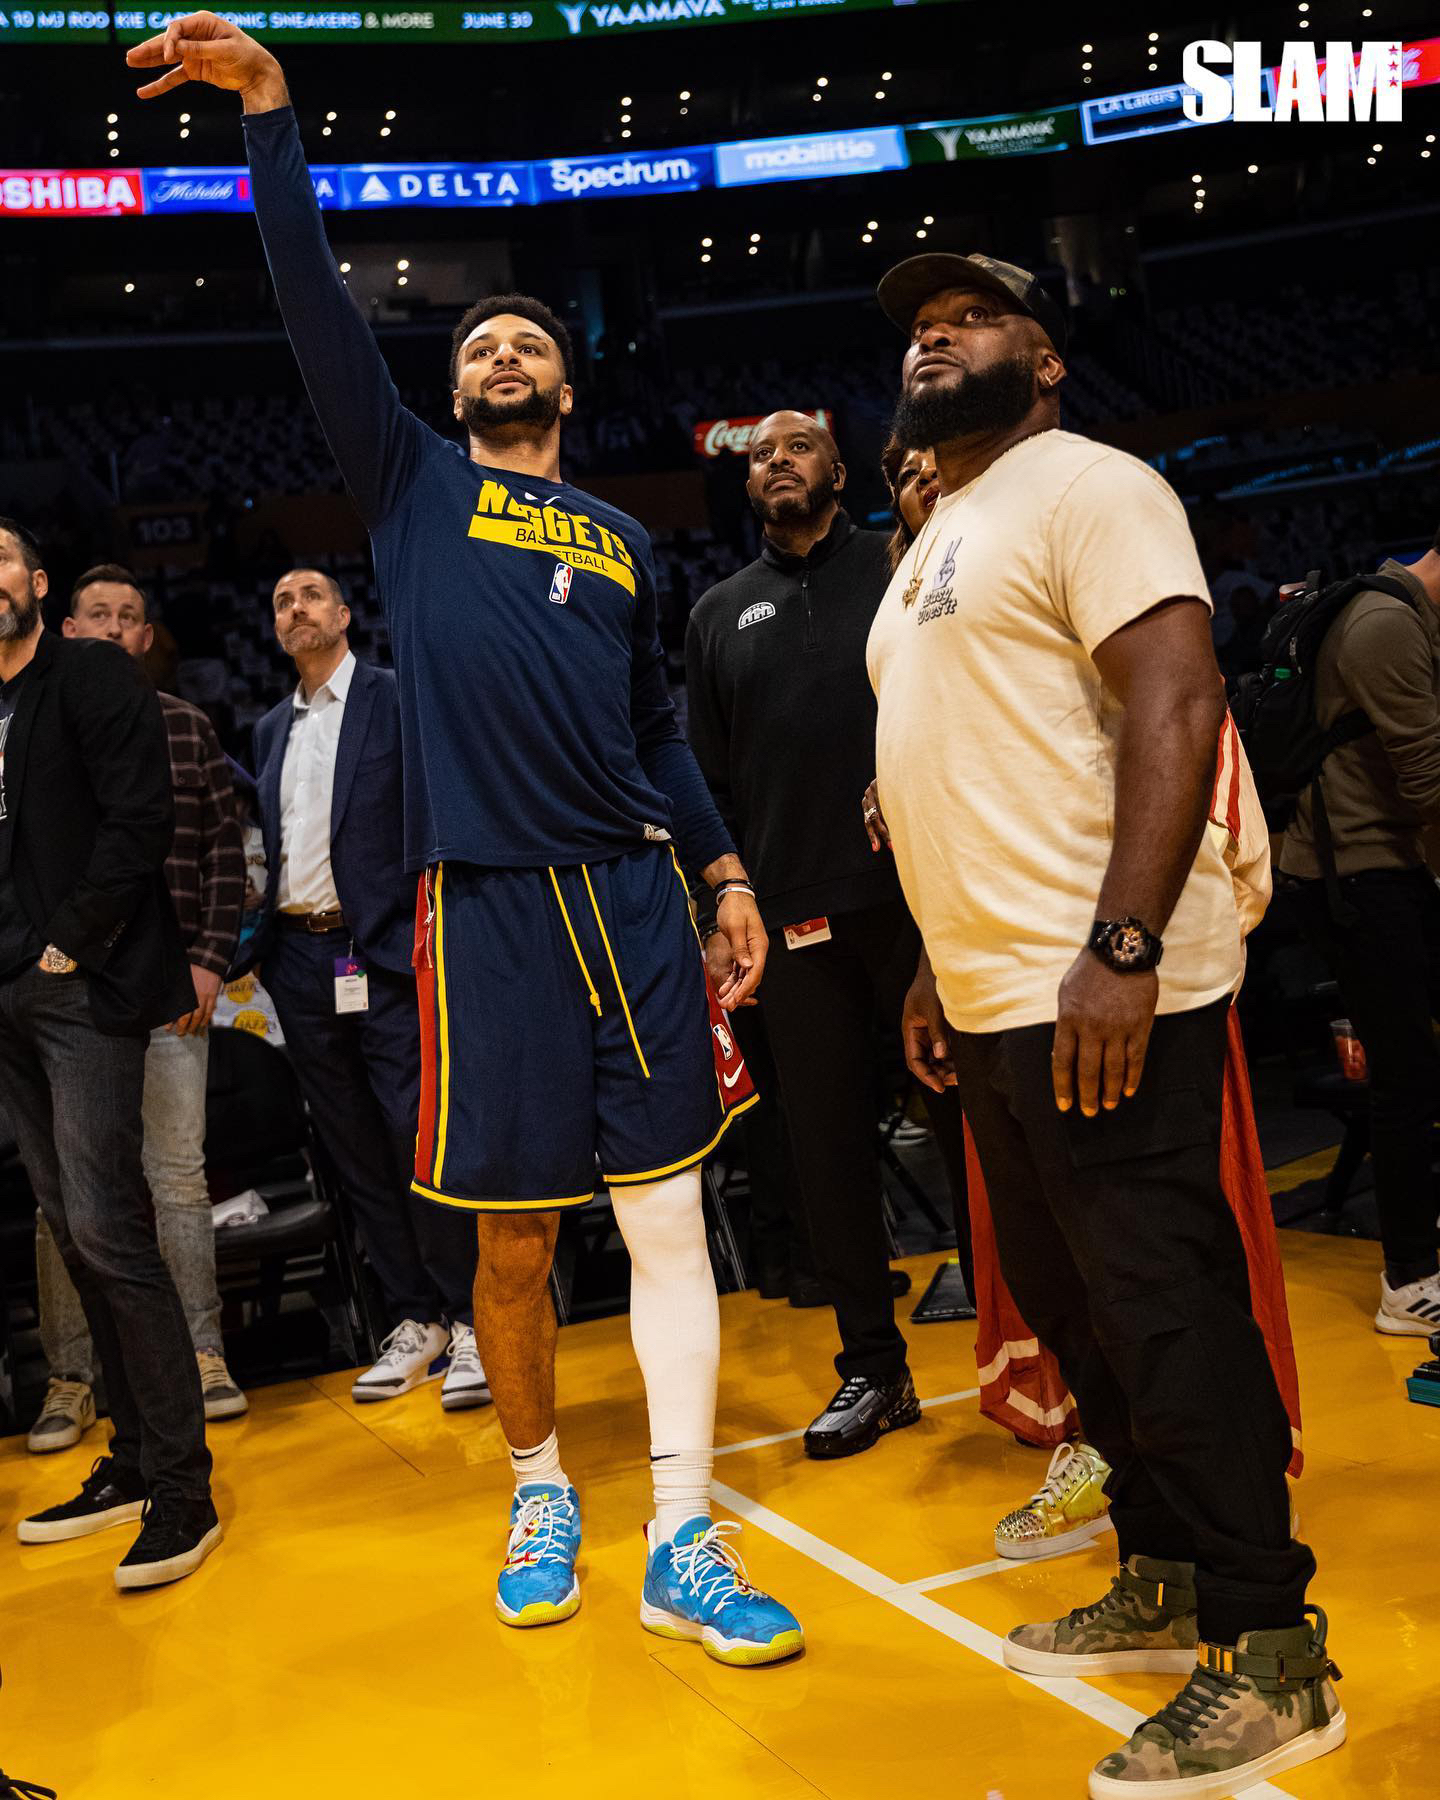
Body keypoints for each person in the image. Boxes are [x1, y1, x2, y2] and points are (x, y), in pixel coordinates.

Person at [129, 15, 800, 1664]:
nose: (502, 354)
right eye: (480, 346)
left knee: (665, 1218)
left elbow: (658, 735)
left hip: (632, 897)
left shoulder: (626, 538)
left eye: (526, 343)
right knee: (512, 1237)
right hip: (485, 909)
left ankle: (685, 1533)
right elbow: (311, 305)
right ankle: (539, 1489)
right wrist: (272, 116)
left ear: (567, 383)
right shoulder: (414, 487)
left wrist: (721, 871)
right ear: (449, 392)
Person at [867, 254, 1341, 1797]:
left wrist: (1124, 946)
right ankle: (1166, 1567)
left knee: (1162, 1303)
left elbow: (1179, 705)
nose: (935, 337)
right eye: (920, 328)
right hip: (1000, 993)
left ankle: (1271, 1647)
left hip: (1104, 984)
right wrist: (935, 966)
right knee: (1076, 1310)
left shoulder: (1093, 486)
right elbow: (968, 768)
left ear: (1049, 359)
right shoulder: (938, 536)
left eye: (971, 318)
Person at [686, 410, 973, 1459]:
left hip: (918, 904)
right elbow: (708, 786)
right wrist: (720, 910)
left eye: (797, 447)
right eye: (762, 455)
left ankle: (1028, 1343)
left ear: (839, 471)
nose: (778, 461)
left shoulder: (902, 570)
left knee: (971, 1128)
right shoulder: (718, 613)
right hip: (792, 921)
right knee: (827, 1155)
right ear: (747, 486)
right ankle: (874, 1370)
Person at [0, 517, 220, 1590]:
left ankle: (183, 1487)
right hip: (7, 996)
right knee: (72, 1233)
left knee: (109, 1227)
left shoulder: (87, 673)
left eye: (0, 558)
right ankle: (131, 1461)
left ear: (37, 582)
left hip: (78, 986)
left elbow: (142, 818)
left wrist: (69, 943)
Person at [26, 563, 247, 1453]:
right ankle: (74, 1375)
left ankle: (203, 1354)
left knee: (177, 1180)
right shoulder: (30, 727)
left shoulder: (187, 726)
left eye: (129, 616)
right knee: (66, 1196)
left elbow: (227, 856)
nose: (115, 627)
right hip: (67, 995)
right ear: (68, 628)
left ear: (147, 638)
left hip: (167, 991)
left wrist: (207, 962)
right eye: (99, 614)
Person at [253, 567, 486, 1411]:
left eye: (311, 595)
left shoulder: (393, 697)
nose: (297, 608)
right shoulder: (268, 730)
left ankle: (472, 1320)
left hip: (384, 952)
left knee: (415, 1135)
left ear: (345, 613)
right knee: (352, 1146)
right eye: (282, 602)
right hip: (300, 959)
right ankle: (415, 1319)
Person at [1278, 527, 1440, 1334]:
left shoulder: (1407, 616)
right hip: (1357, 878)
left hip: (1387, 866)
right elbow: (1432, 784)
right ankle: (1409, 1280)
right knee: (1405, 1074)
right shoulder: (1385, 626)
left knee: (1414, 1069)